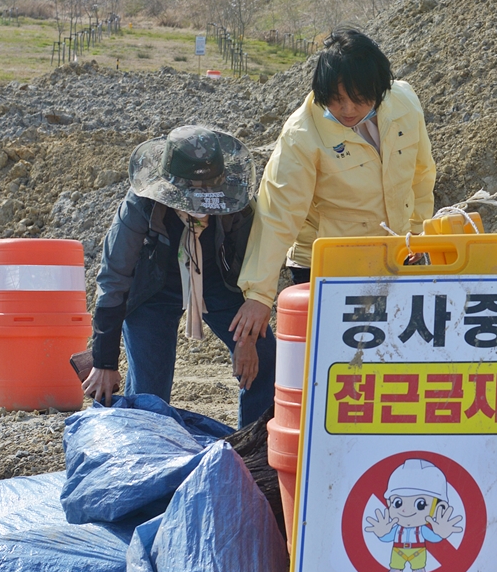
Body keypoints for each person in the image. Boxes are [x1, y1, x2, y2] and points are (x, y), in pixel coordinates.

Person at [230, 25, 436, 345]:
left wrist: (416, 236)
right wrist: (259, 294)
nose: (348, 110)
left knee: (389, 356)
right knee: (336, 363)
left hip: (393, 260)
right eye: (337, 100)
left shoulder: (405, 104)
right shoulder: (302, 135)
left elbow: (421, 176)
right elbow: (277, 213)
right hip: (327, 268)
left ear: (380, 90)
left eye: (360, 99)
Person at [84, 125, 275, 428]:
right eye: (190, 198)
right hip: (152, 290)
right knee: (150, 393)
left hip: (219, 283)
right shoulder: (139, 207)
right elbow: (114, 280)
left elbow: (253, 269)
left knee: (264, 357)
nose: (199, 207)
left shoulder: (237, 209)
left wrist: (249, 338)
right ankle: (143, 450)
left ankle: (253, 446)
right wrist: (104, 361)